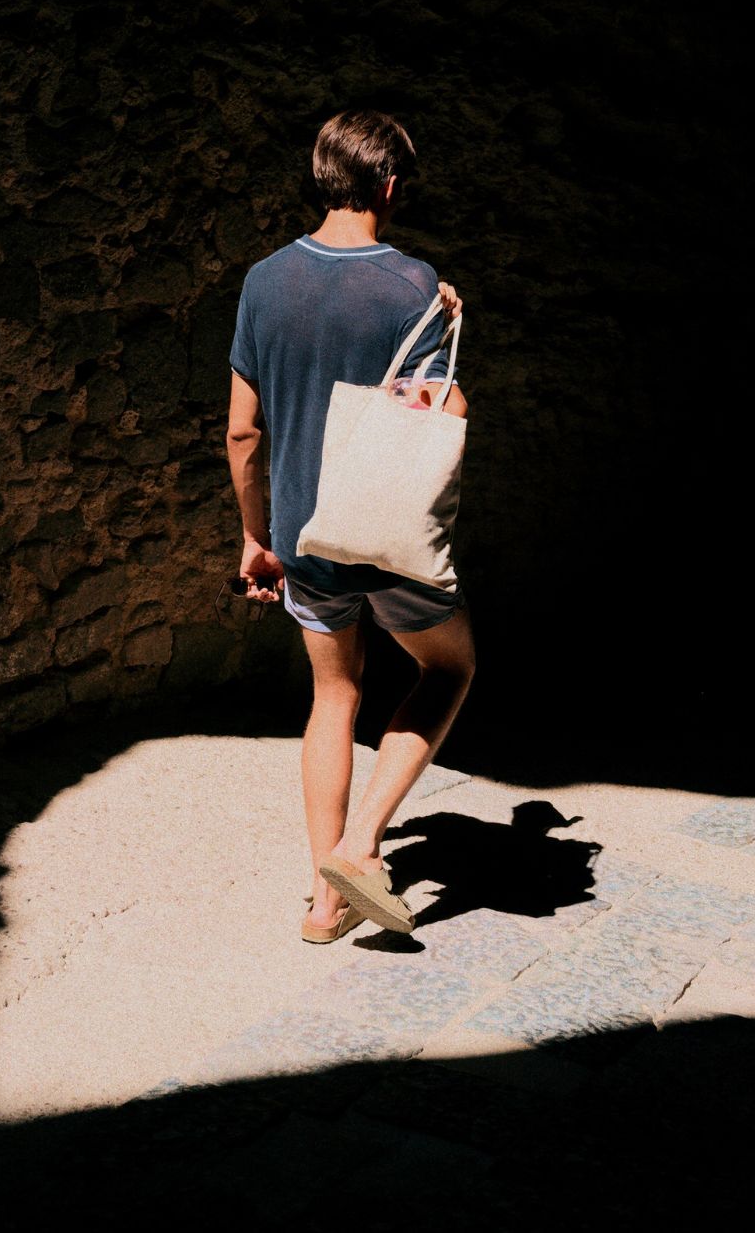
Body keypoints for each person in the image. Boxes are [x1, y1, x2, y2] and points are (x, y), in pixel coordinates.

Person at [227, 108, 477, 943]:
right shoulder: (413, 285)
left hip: (302, 533)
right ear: (392, 186)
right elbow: (442, 409)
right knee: (448, 669)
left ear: (321, 174)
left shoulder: (264, 280)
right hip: (387, 533)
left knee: (333, 695)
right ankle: (362, 841)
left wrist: (257, 537)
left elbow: (242, 433)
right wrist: (443, 324)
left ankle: (325, 907)